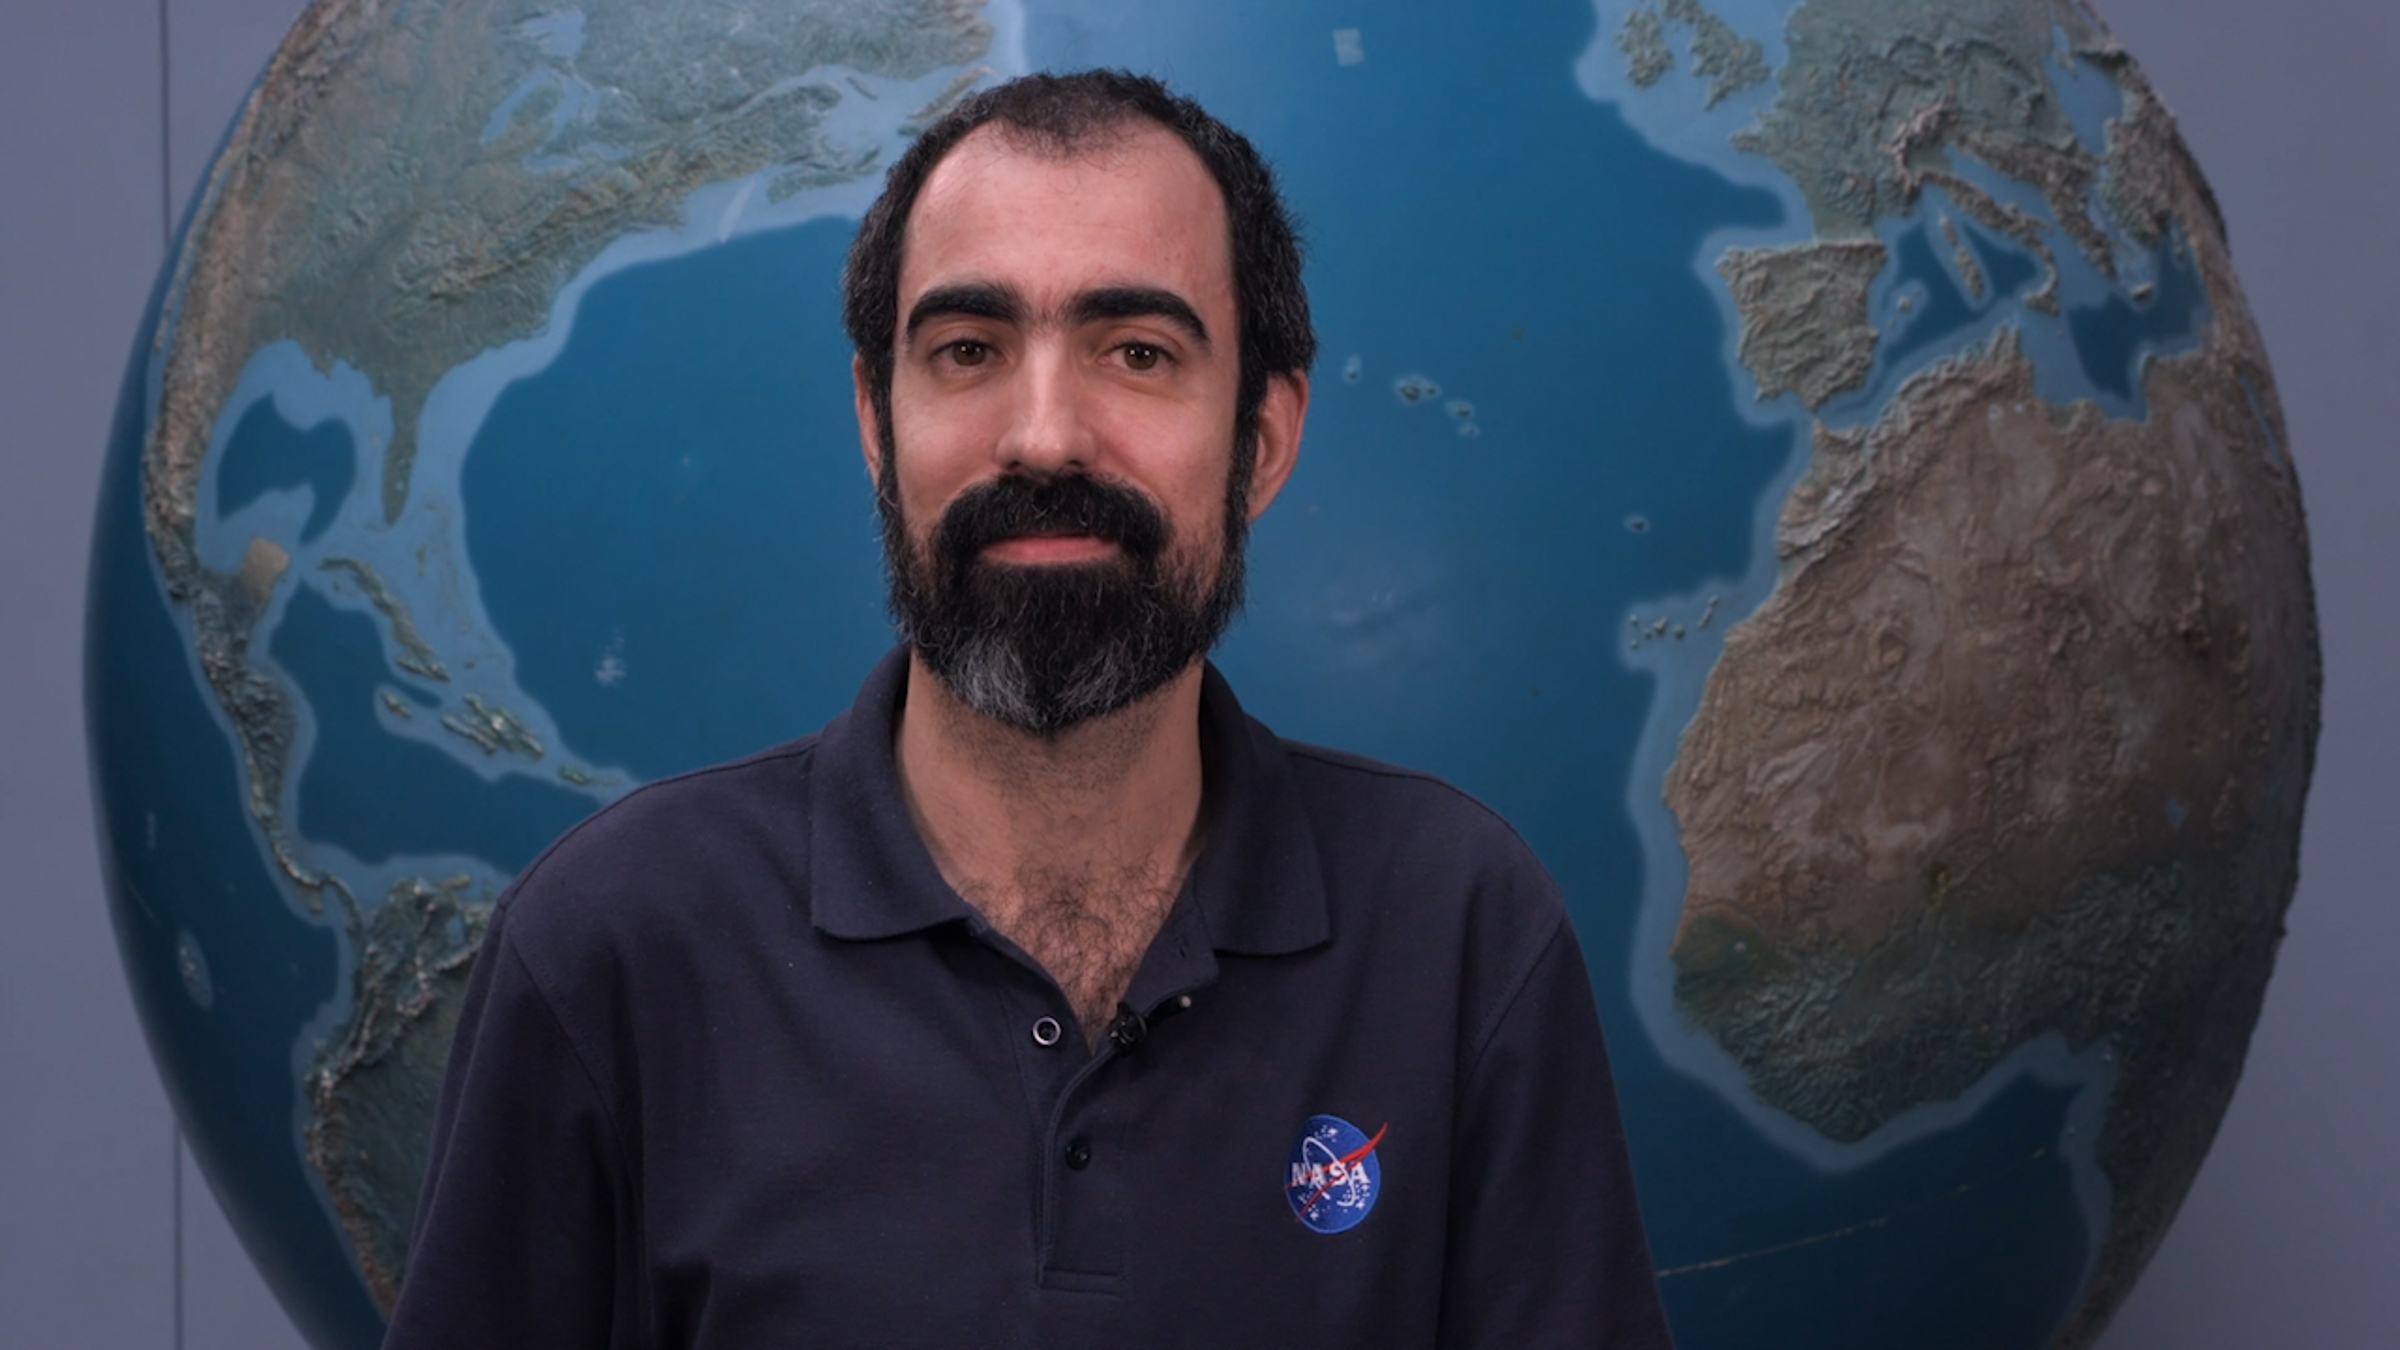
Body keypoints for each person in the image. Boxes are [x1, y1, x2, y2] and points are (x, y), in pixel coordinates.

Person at [384, 70, 1673, 1349]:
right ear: (880, 429)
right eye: (967, 351)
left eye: (1137, 353)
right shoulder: (612, 946)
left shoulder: (1460, 931)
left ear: (1262, 441)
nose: (1045, 437)